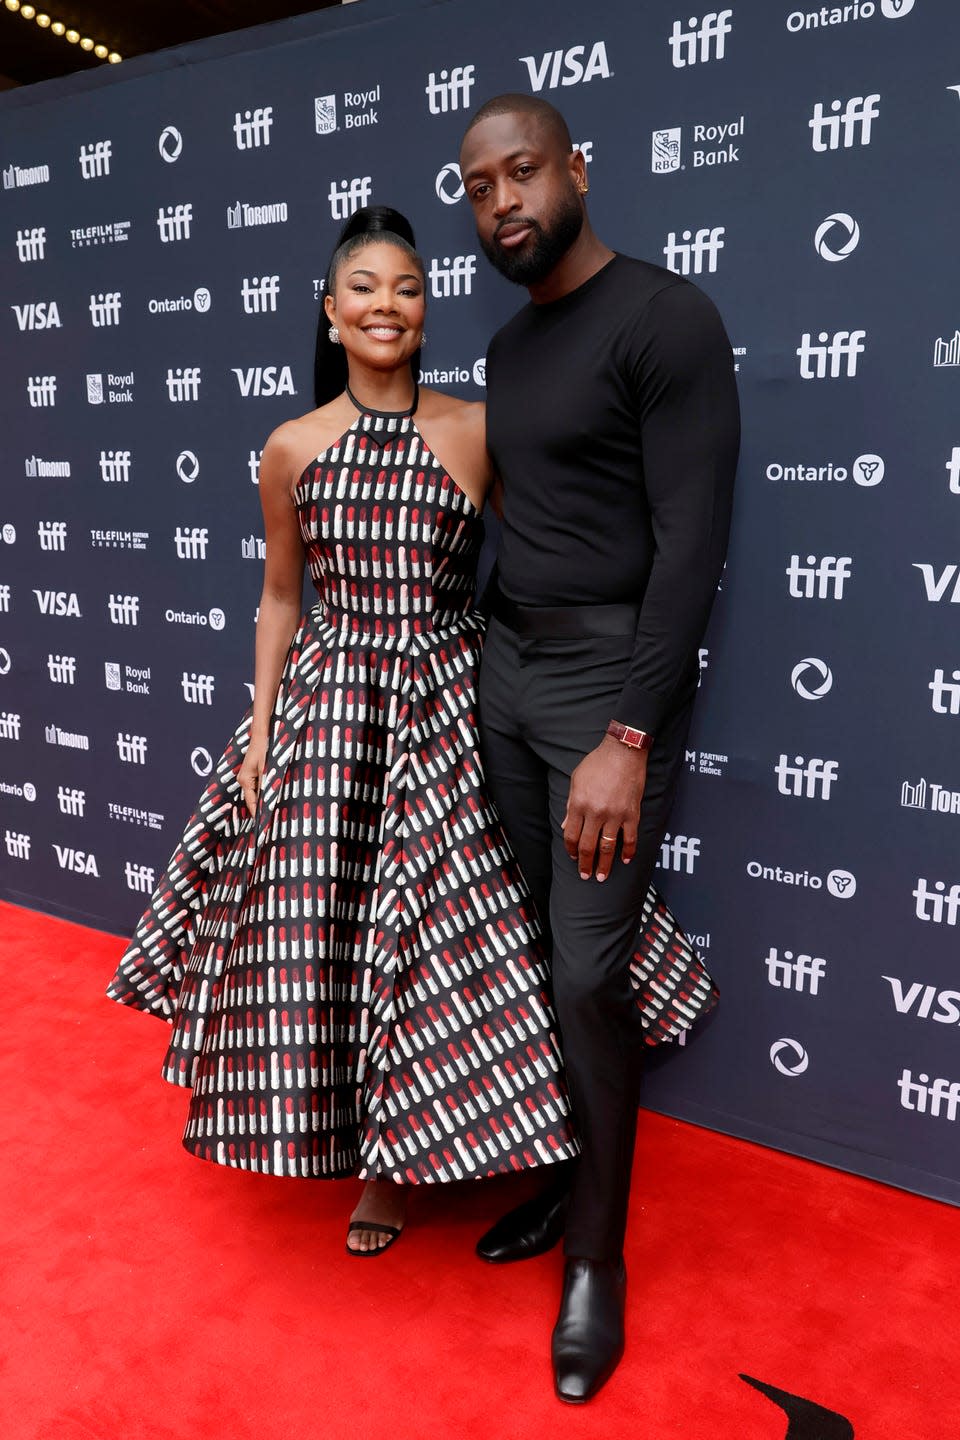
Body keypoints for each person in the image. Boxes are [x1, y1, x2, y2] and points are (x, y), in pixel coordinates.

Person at [107, 206, 582, 1253]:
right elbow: (281, 597)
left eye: (406, 288)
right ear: (330, 314)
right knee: (331, 935)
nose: (385, 305)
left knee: (442, 938)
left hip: (457, 700)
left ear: (427, 309)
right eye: (363, 288)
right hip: (333, 703)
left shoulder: (477, 427)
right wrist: (263, 729)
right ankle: (373, 1166)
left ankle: (461, 1135)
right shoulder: (291, 446)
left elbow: (544, 563)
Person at [459, 97, 740, 1403]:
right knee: (528, 944)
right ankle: (568, 1170)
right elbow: (529, 520)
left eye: (522, 171)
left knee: (586, 970)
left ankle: (595, 1259)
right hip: (506, 667)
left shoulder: (665, 318)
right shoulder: (510, 347)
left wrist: (628, 733)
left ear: (577, 169)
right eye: (477, 187)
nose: (502, 200)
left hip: (604, 687)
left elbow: (691, 549)